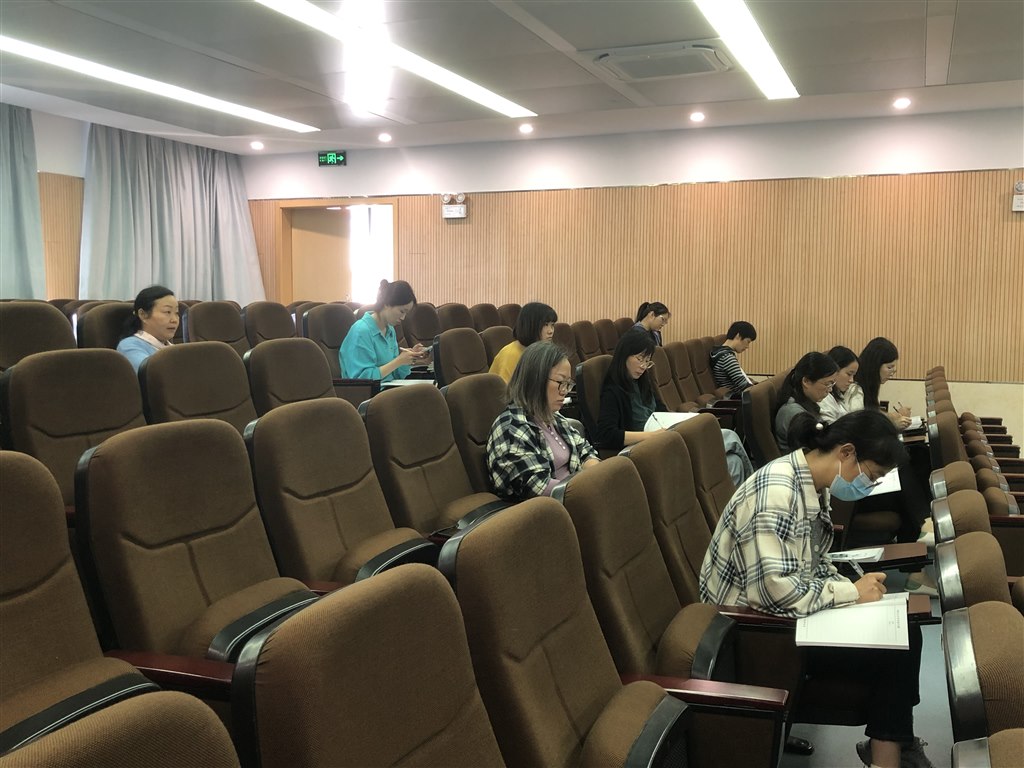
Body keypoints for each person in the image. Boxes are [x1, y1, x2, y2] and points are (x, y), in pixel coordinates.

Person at [699, 410, 932, 768]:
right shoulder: (777, 493)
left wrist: (852, 589)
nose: (868, 486)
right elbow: (774, 593)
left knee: (904, 632)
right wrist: (850, 593)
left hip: (783, 616)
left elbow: (814, 562)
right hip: (751, 633)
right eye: (870, 476)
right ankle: (892, 753)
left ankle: (893, 748)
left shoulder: (810, 483)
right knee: (898, 647)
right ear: (847, 452)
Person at [597, 329, 752, 484]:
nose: (643, 366)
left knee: (734, 462)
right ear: (624, 354)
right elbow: (607, 434)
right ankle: (754, 489)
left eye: (648, 361)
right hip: (646, 446)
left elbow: (661, 411)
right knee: (729, 437)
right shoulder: (613, 390)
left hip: (664, 436)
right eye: (640, 359)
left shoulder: (642, 381)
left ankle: (743, 495)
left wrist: (677, 422)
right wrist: (652, 436)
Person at [486, 341, 599, 500]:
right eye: (560, 382)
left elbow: (585, 451)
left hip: (576, 494)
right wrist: (589, 487)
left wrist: (599, 477)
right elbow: (537, 487)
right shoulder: (511, 427)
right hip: (550, 507)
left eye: (568, 384)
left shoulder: (553, 416)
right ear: (535, 380)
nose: (565, 391)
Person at [340, 280, 429, 382]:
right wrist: (398, 361)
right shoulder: (361, 331)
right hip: (371, 391)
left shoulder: (390, 330)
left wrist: (409, 358)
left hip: (390, 387)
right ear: (387, 304)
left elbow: (397, 374)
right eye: (401, 311)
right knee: (426, 390)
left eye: (406, 313)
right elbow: (362, 380)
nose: (403, 318)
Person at [773, 352, 839, 451]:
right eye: (827, 384)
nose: (830, 390)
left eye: (832, 384)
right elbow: (815, 450)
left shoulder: (806, 402)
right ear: (806, 381)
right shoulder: (793, 412)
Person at [847, 338, 912, 430]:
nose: (892, 373)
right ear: (875, 366)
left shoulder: (869, 386)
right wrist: (892, 425)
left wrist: (893, 416)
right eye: (889, 367)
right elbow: (861, 426)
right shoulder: (856, 390)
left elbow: (872, 412)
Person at [488, 301, 557, 383]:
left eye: (552, 325)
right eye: (545, 325)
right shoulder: (511, 355)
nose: (551, 331)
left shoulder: (541, 351)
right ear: (530, 325)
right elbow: (506, 390)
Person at [116, 285, 179, 372]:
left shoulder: (175, 349)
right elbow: (153, 375)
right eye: (167, 312)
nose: (174, 320)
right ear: (143, 315)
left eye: (176, 313)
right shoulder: (128, 346)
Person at [710, 321, 757, 395]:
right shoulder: (727, 357)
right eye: (747, 341)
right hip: (735, 398)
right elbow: (743, 385)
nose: (747, 346)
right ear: (738, 336)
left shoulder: (721, 352)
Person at [819, 346, 859, 424]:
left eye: (854, 375)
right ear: (835, 369)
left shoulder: (838, 395)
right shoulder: (823, 397)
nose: (851, 380)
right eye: (849, 374)